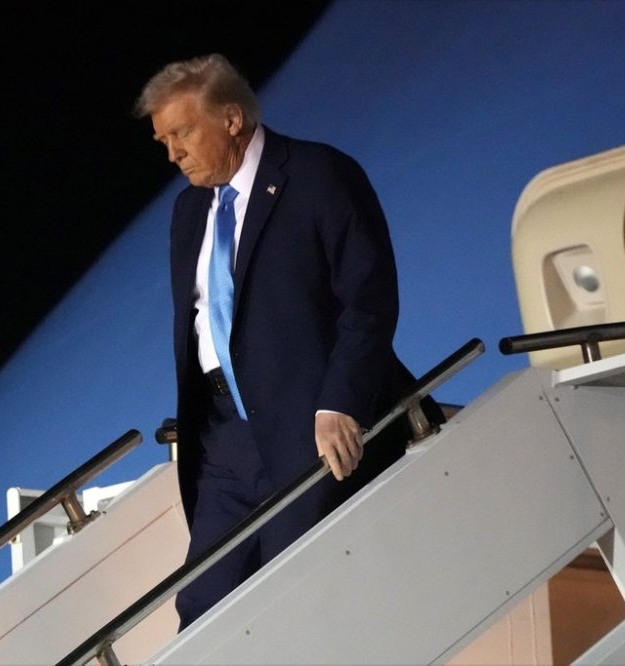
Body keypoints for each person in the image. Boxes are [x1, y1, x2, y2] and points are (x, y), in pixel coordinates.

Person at [134, 53, 441, 629]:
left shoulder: (319, 176)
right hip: (224, 442)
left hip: (309, 426)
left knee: (289, 599)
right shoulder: (189, 210)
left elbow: (368, 302)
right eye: (163, 141)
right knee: (201, 607)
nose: (173, 154)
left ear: (231, 119)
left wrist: (341, 402)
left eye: (182, 133)